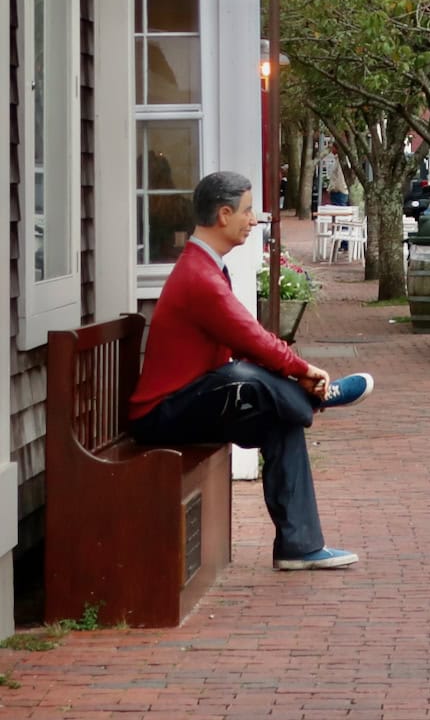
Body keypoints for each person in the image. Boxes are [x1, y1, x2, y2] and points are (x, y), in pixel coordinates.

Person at [129, 171, 373, 571]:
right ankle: (318, 398)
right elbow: (250, 337)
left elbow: (245, 337)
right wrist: (303, 370)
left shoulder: (205, 267)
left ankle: (299, 546)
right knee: (241, 376)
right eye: (247, 211)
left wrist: (293, 372)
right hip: (162, 415)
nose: (254, 220)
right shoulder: (199, 277)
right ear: (224, 214)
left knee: (279, 415)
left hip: (191, 402)